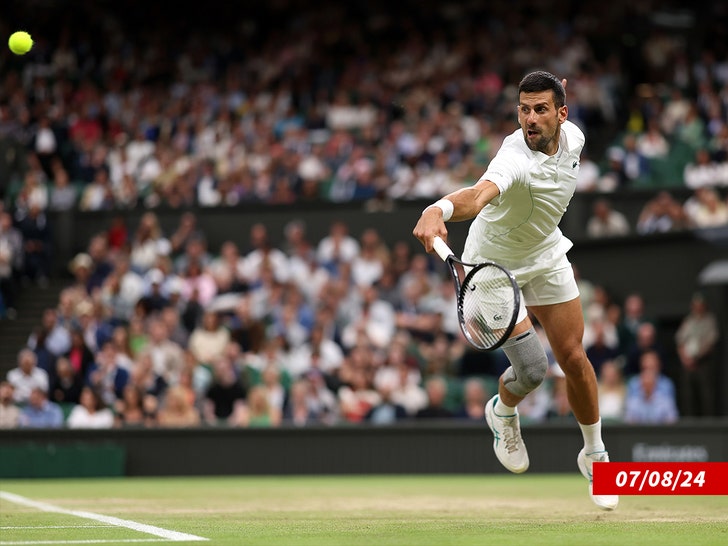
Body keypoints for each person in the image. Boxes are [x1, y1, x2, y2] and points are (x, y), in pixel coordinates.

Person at [413, 71, 618, 510]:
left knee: (575, 358)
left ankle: (596, 455)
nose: (530, 118)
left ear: (562, 114)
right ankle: (502, 411)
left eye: (541, 109)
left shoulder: (575, 138)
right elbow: (477, 195)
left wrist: (553, 88)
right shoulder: (513, 157)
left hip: (544, 254)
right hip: (492, 267)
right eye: (523, 109)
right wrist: (440, 207)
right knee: (532, 371)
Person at [674, 293, 719, 417]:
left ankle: (709, 422)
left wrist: (696, 358)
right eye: (695, 305)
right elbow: (680, 340)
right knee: (687, 393)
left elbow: (710, 342)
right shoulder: (688, 321)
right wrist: (685, 358)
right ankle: (689, 420)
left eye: (700, 305)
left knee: (706, 393)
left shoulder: (710, 321)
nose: (697, 307)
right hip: (687, 362)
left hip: (703, 363)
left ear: (704, 306)